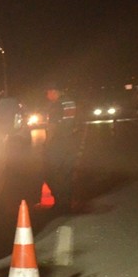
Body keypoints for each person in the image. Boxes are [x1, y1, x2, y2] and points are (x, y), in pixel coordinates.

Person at [42, 82, 79, 212]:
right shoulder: (70, 102)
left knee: (50, 173)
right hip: (70, 142)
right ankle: (66, 202)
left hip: (57, 144)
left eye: (48, 92)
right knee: (67, 174)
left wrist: (47, 143)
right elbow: (75, 123)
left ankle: (58, 201)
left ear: (54, 91)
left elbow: (53, 126)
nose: (47, 96)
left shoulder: (56, 105)